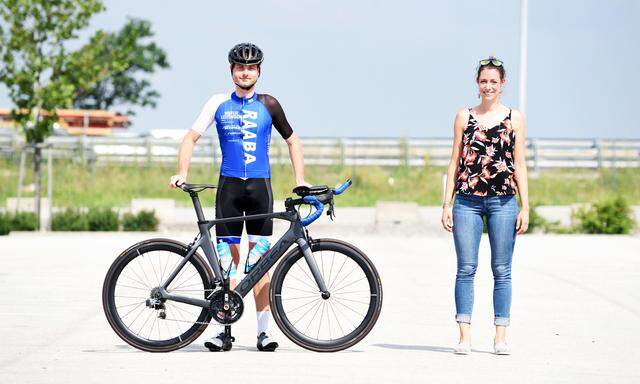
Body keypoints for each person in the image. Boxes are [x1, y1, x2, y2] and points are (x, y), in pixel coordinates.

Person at [169, 43, 308, 352]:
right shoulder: (218, 103)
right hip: (229, 191)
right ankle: (223, 332)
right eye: (240, 68)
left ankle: (263, 332)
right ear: (231, 71)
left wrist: (300, 180)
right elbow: (190, 137)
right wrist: (182, 171)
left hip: (260, 189)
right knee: (228, 264)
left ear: (258, 71)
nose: (246, 72)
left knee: (260, 262)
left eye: (251, 68)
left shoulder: (269, 104)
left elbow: (293, 139)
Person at [441, 56, 530, 355]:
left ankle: (500, 337)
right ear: (477, 84)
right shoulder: (463, 116)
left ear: (502, 84)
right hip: (466, 201)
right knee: (466, 268)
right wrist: (446, 203)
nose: (488, 86)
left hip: (504, 201)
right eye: (483, 81)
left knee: (502, 270)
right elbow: (454, 161)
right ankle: (464, 337)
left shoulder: (514, 118)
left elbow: (519, 163)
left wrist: (525, 206)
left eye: (494, 81)